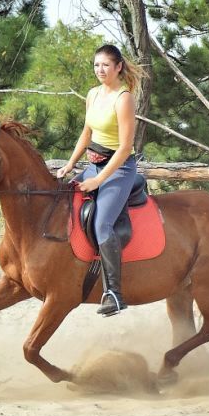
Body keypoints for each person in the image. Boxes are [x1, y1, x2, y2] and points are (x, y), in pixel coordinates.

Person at [56, 44, 147, 316]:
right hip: (93, 165)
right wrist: (70, 165)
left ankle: (114, 294)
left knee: (102, 223)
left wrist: (98, 182)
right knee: (61, 198)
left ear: (118, 67)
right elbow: (86, 134)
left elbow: (124, 148)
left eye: (105, 65)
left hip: (118, 170)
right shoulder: (93, 94)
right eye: (96, 65)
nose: (100, 70)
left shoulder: (124, 98)